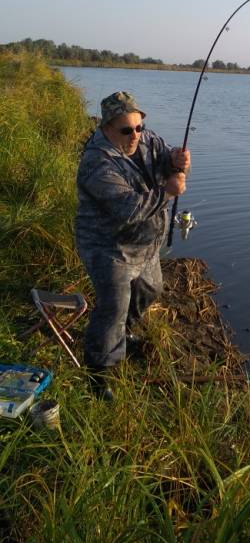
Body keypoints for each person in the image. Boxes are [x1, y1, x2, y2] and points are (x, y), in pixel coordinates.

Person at [76, 90, 190, 400]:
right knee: (112, 307)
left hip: (144, 244)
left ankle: (123, 333)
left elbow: (165, 156)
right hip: (108, 247)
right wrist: (169, 190)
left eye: (139, 127)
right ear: (107, 128)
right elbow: (129, 208)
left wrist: (176, 160)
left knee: (151, 289)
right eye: (127, 130)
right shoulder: (96, 163)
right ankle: (97, 371)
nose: (135, 135)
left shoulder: (145, 138)